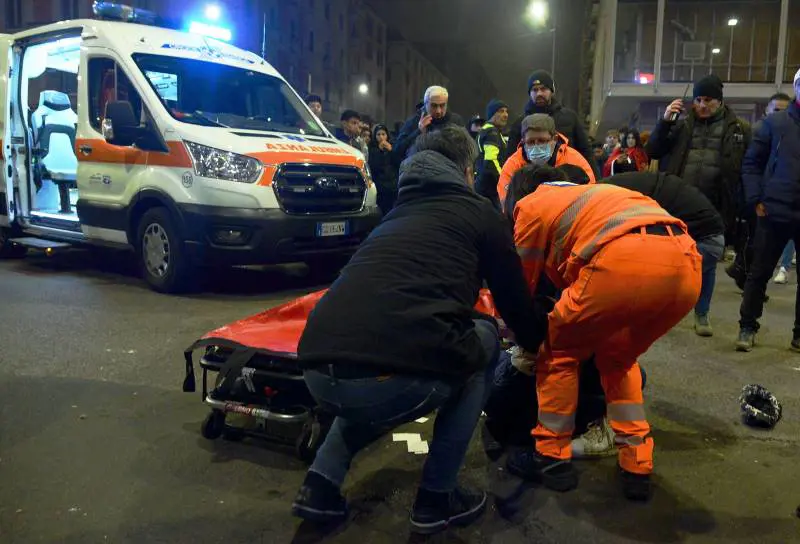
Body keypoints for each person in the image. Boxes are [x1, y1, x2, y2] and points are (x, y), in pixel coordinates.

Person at [291, 126, 545, 534]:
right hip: (388, 382)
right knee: (483, 341)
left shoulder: (394, 216)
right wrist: (539, 348)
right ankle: (436, 497)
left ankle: (319, 485)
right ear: (467, 171)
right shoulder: (480, 214)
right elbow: (514, 304)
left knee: (373, 362)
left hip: (318, 372)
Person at [506, 180, 702, 501]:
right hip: (686, 264)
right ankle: (637, 462)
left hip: (622, 260)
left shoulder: (530, 205)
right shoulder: (597, 197)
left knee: (560, 352)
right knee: (618, 360)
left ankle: (550, 457)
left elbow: (520, 283)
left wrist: (519, 329)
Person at [645, 74, 750, 336]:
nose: (702, 105)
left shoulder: (739, 129)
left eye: (708, 100)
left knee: (708, 261)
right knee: (668, 259)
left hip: (715, 206)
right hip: (678, 203)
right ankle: (665, 310)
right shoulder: (681, 125)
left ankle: (702, 312)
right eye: (698, 100)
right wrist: (665, 121)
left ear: (720, 101)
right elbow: (653, 150)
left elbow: (746, 168)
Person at [602, 172, 725, 337]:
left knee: (649, 268)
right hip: (713, 234)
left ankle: (646, 316)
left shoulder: (614, 195)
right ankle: (700, 314)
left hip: (705, 241)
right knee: (705, 268)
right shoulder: (633, 185)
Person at [736, 69, 800, 352]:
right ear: (796, 87)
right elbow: (751, 164)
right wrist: (755, 200)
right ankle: (747, 326)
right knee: (759, 272)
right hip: (773, 210)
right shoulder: (774, 124)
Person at [728, 92, 793, 289]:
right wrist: (752, 198)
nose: (779, 114)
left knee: (757, 247)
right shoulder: (757, 131)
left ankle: (743, 273)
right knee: (754, 245)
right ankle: (744, 275)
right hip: (756, 198)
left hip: (773, 201)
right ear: (767, 110)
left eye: (783, 110)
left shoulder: (789, 133)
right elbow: (747, 165)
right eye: (776, 109)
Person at [498, 114, 596, 206]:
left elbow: (590, 195)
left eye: (542, 141)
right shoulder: (513, 164)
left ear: (555, 139)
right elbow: (506, 202)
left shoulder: (574, 160)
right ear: (523, 141)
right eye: (531, 142)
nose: (536, 146)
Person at [507, 70, 594, 172]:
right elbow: (510, 158)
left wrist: (595, 179)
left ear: (552, 91)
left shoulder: (570, 117)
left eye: (543, 89)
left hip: (568, 177)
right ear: (529, 93)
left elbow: (586, 151)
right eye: (535, 90)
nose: (539, 93)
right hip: (531, 178)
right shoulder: (519, 123)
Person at [392, 86, 464, 167]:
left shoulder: (456, 121)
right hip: (421, 170)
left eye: (442, 105)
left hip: (450, 170)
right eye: (434, 106)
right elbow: (397, 151)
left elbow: (466, 150)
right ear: (426, 104)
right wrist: (418, 132)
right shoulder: (414, 121)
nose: (438, 111)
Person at [474, 99, 510, 209]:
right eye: (501, 111)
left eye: (506, 111)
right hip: (490, 189)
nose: (505, 115)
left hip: (484, 186)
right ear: (492, 114)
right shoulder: (491, 132)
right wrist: (504, 181)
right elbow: (491, 161)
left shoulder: (488, 130)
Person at [367, 124, 397, 214]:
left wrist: (391, 151)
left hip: (392, 184)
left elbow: (398, 163)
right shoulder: (371, 148)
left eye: (383, 134)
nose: (381, 137)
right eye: (378, 134)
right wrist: (379, 151)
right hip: (379, 184)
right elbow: (374, 166)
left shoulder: (393, 146)